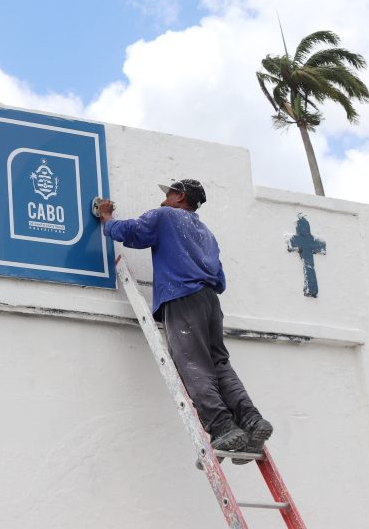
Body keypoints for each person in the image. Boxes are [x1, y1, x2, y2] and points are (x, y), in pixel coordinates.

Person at [94, 179, 272, 461]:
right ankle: (251, 420)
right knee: (218, 363)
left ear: (179, 197)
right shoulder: (207, 233)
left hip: (182, 298)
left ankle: (222, 425)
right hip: (210, 301)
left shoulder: (165, 216)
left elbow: (134, 232)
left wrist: (106, 218)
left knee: (192, 363)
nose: (164, 199)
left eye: (169, 194)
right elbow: (221, 280)